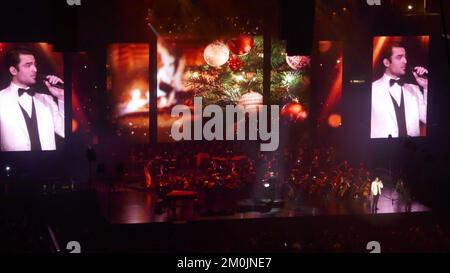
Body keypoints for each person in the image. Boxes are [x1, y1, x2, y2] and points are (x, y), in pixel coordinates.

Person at [0, 47, 64, 151]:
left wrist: (61, 97)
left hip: (47, 164)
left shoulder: (46, 99)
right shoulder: (1, 99)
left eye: (35, 65)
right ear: (13, 70)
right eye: (28, 65)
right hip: (13, 164)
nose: (35, 69)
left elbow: (63, 131)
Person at [371, 41, 428, 138]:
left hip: (412, 149)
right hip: (382, 151)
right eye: (399, 57)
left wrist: (426, 87)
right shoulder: (372, 89)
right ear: (386, 62)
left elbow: (427, 118)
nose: (405, 61)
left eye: (405, 57)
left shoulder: (414, 89)